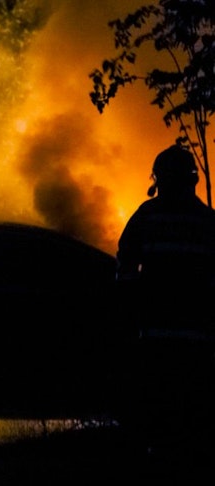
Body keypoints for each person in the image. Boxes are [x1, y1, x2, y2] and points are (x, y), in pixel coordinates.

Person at [115, 144, 215, 455]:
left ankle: (159, 454)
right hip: (199, 333)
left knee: (157, 400)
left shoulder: (147, 216)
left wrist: (131, 305)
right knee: (194, 404)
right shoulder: (207, 220)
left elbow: (126, 263)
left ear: (158, 179)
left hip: (155, 332)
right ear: (193, 180)